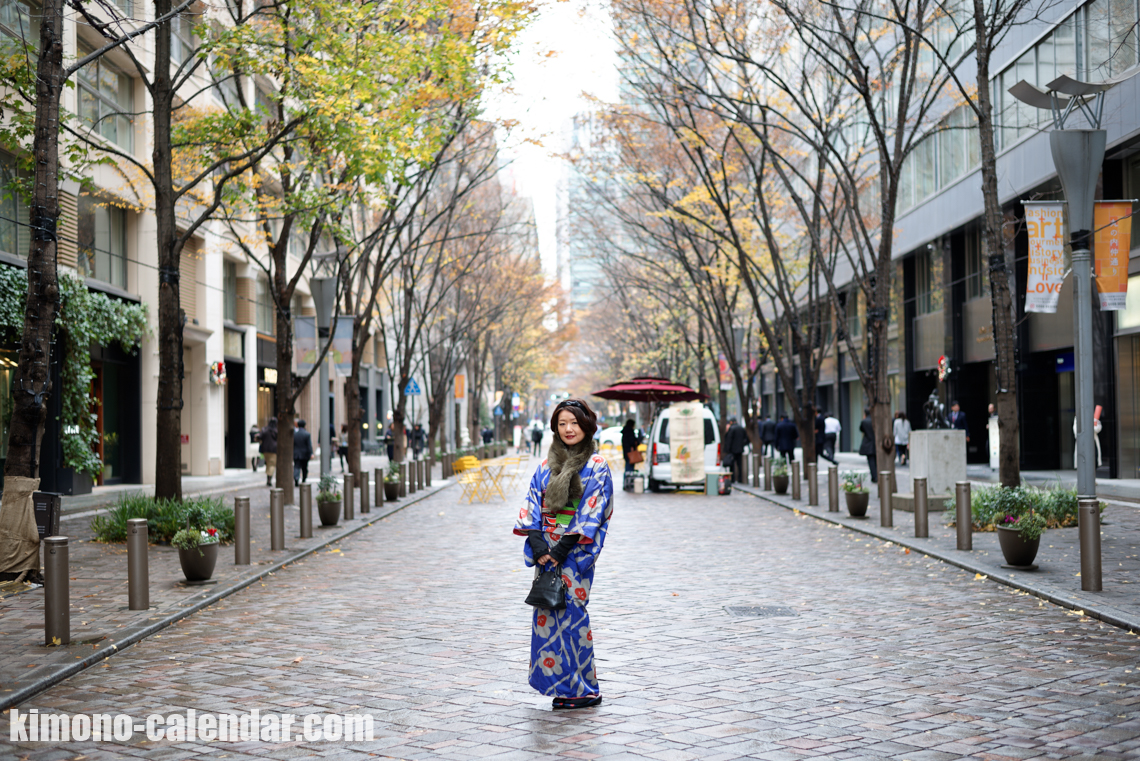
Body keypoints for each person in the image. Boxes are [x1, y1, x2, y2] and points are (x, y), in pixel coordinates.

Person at [514, 398, 613, 710]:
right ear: (555, 429)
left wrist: (559, 551)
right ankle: (561, 686)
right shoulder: (545, 467)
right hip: (547, 552)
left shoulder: (596, 466)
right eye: (562, 424)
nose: (569, 429)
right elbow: (531, 507)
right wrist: (541, 548)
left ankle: (584, 689)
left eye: (574, 422)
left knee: (573, 615)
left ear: (586, 425)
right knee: (546, 615)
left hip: (573, 552)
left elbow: (591, 512)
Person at [724, 417, 748, 482]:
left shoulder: (731, 429)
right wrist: (742, 445)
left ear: (731, 422)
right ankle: (740, 478)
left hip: (733, 450)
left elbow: (729, 440)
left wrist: (727, 449)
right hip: (740, 449)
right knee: (739, 465)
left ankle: (733, 479)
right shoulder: (741, 428)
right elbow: (746, 439)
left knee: (732, 465)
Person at [259, 417, 278, 487]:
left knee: (268, 464)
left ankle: (268, 478)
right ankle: (269, 479)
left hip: (265, 450)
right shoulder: (276, 430)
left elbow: (260, 437)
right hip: (273, 450)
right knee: (272, 464)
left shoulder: (265, 430)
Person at [293, 419, 313, 485]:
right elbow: (309, 445)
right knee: (304, 468)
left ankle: (296, 479)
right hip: (305, 454)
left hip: (296, 454)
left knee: (296, 467)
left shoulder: (295, 434)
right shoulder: (307, 434)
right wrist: (311, 453)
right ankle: (304, 480)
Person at [859, 408, 876, 483]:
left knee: (871, 461)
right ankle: (876, 476)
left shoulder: (864, 421)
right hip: (876, 442)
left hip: (868, 443)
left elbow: (861, 429)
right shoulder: (875, 420)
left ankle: (874, 476)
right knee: (875, 460)